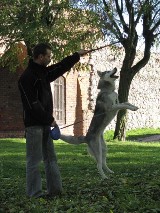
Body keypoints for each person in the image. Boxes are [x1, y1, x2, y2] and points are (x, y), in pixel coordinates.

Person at [18, 43, 88, 198]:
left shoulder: (44, 73)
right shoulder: (27, 77)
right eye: (48, 56)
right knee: (34, 161)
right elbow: (32, 105)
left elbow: (61, 67)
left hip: (46, 125)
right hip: (34, 126)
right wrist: (50, 120)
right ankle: (34, 194)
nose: (50, 59)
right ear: (40, 56)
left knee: (51, 158)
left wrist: (77, 55)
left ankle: (55, 191)